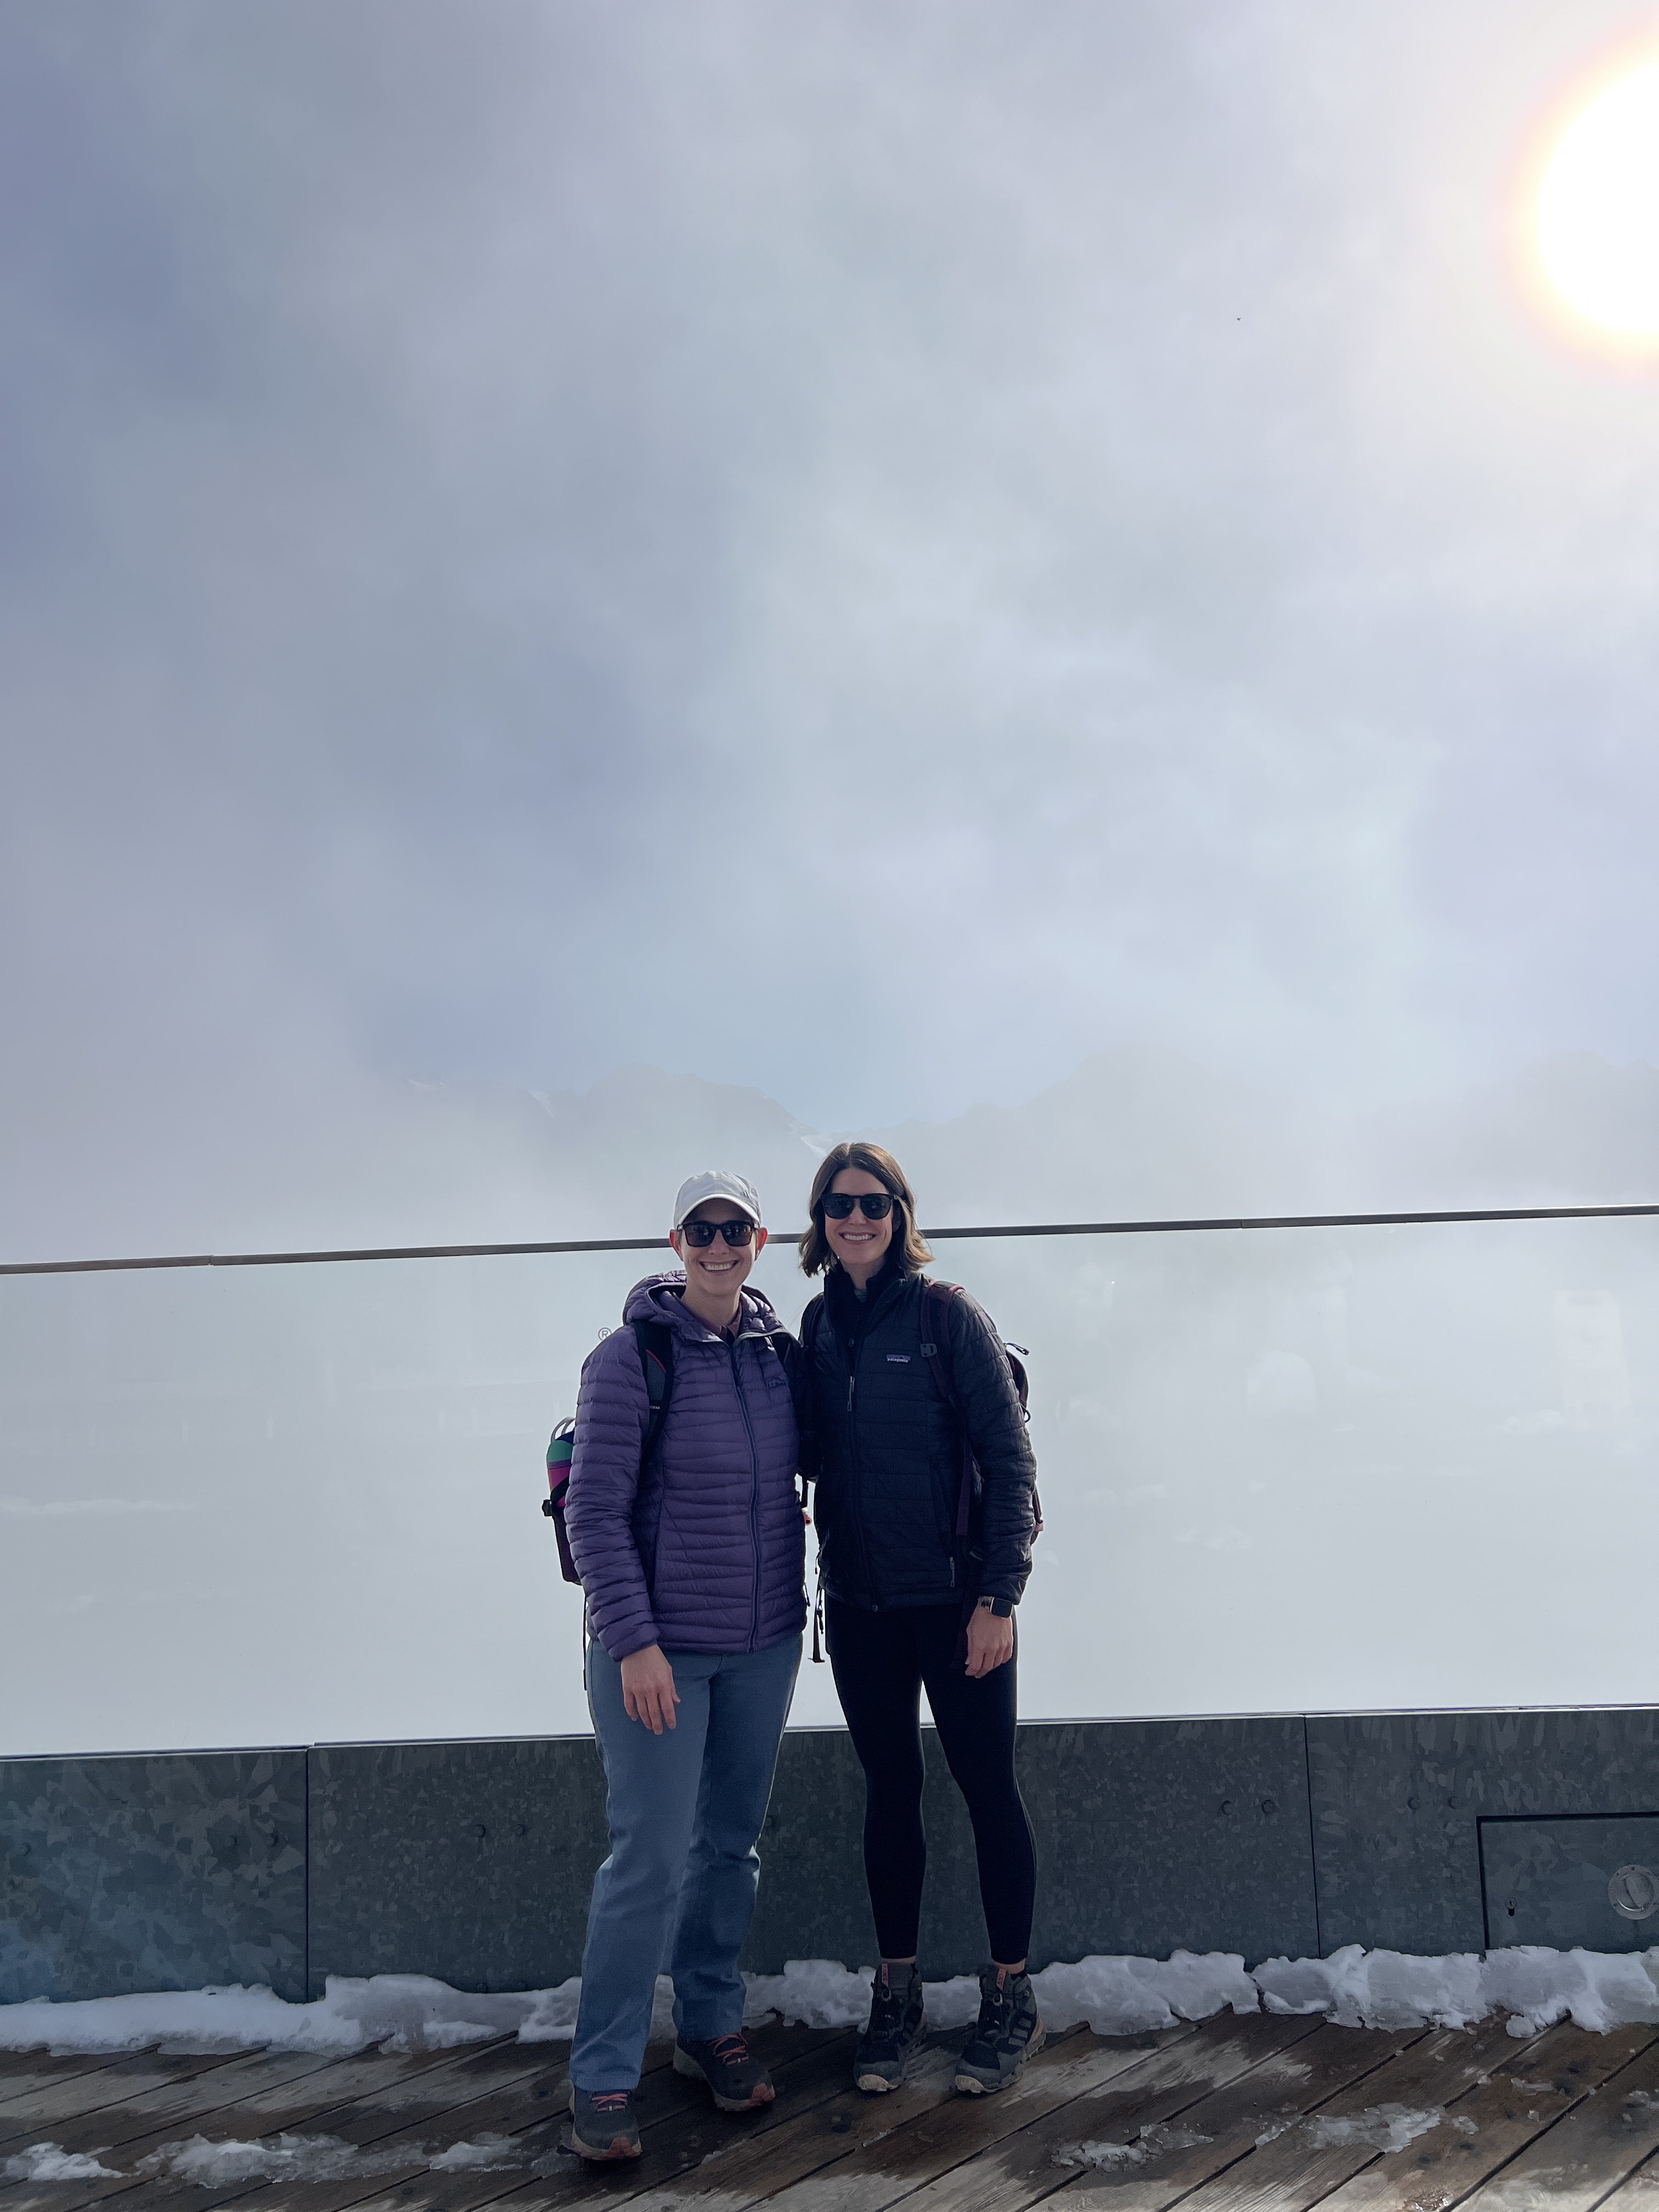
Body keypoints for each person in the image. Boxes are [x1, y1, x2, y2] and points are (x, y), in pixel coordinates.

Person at [563, 1170, 806, 2162]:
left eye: (734, 1229)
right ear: (675, 1244)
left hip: (766, 1643)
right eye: (700, 1230)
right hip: (656, 1652)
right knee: (649, 1860)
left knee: (728, 1849)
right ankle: (603, 2075)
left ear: (760, 1241)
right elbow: (592, 1513)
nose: (717, 1245)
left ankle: (709, 2027)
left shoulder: (778, 1355)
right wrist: (635, 1643)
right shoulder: (631, 1357)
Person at [799, 1141, 1041, 2098]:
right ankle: (895, 1992)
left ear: (902, 1215)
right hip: (861, 1605)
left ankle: (1011, 1992)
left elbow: (1011, 1463)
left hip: (957, 1604)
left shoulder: (947, 1316)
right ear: (819, 1222)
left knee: (988, 1790)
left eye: (874, 1203)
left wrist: (998, 1599)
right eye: (839, 1205)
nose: (856, 1219)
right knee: (889, 1794)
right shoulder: (819, 1324)